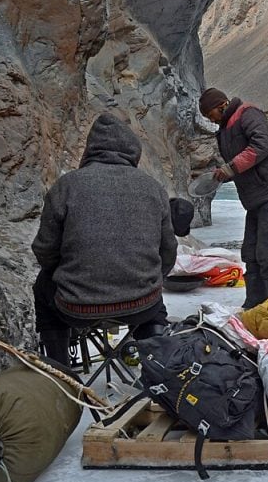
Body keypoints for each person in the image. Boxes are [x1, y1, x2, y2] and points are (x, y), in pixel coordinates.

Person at [31, 113, 177, 365]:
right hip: (142, 305)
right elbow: (168, 251)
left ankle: (61, 370)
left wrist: (70, 275)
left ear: (91, 150)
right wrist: (148, 278)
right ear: (133, 150)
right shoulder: (153, 188)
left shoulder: (66, 186)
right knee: (155, 303)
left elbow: (44, 250)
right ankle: (155, 366)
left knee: (43, 285)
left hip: (77, 309)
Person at [199, 87, 268, 309]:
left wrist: (231, 168)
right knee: (250, 252)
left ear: (219, 105)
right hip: (254, 198)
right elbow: (241, 163)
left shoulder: (248, 114)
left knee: (265, 252)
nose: (209, 120)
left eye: (208, 114)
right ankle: (254, 302)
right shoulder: (225, 129)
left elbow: (261, 145)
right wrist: (224, 174)